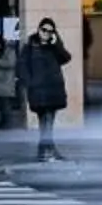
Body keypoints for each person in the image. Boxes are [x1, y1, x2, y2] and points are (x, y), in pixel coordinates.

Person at [16, 16, 73, 161]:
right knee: (45, 119)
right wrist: (30, 82)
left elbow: (66, 58)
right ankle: (47, 149)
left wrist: (56, 45)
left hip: (53, 88)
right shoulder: (30, 46)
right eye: (44, 30)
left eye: (50, 31)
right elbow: (22, 66)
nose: (46, 33)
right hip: (38, 90)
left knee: (48, 120)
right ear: (38, 29)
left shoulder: (54, 46)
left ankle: (45, 150)